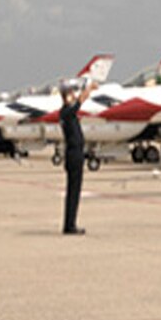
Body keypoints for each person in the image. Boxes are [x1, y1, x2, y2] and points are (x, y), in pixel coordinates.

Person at [59, 80, 97, 235]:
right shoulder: (66, 112)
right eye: (70, 93)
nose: (73, 96)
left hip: (75, 153)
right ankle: (70, 225)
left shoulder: (67, 113)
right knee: (73, 192)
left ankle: (70, 223)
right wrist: (88, 90)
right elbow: (78, 104)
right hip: (74, 154)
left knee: (74, 192)